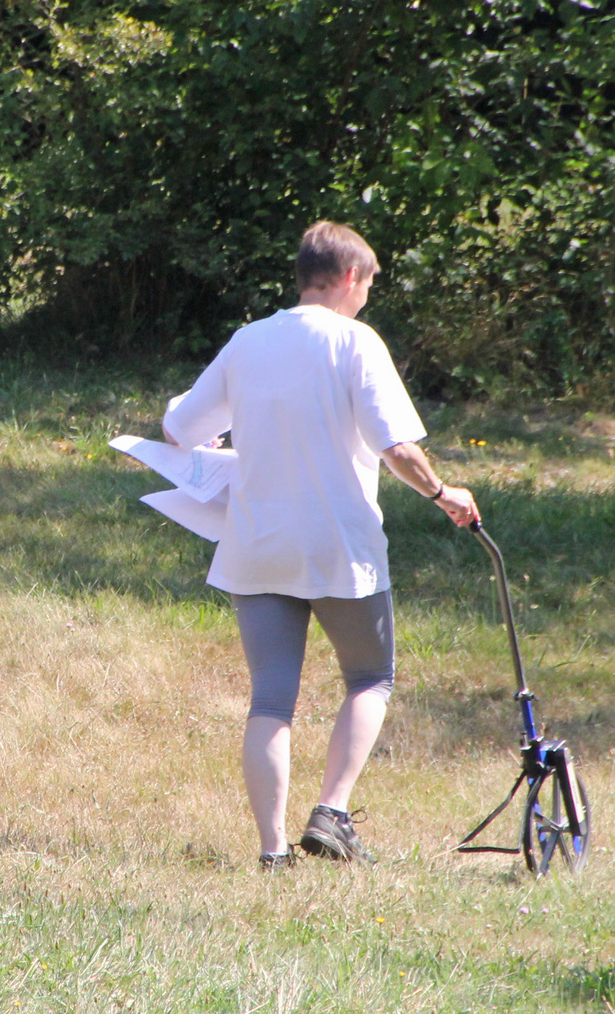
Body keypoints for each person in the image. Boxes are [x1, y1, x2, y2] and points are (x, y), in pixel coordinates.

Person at [163, 221, 479, 867]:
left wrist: (196, 429)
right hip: (340, 548)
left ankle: (272, 852)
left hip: (257, 546)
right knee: (372, 677)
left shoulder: (248, 340)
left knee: (271, 700)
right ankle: (332, 812)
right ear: (348, 278)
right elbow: (395, 448)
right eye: (368, 285)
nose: (367, 297)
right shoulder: (357, 342)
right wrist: (443, 492)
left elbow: (182, 427)